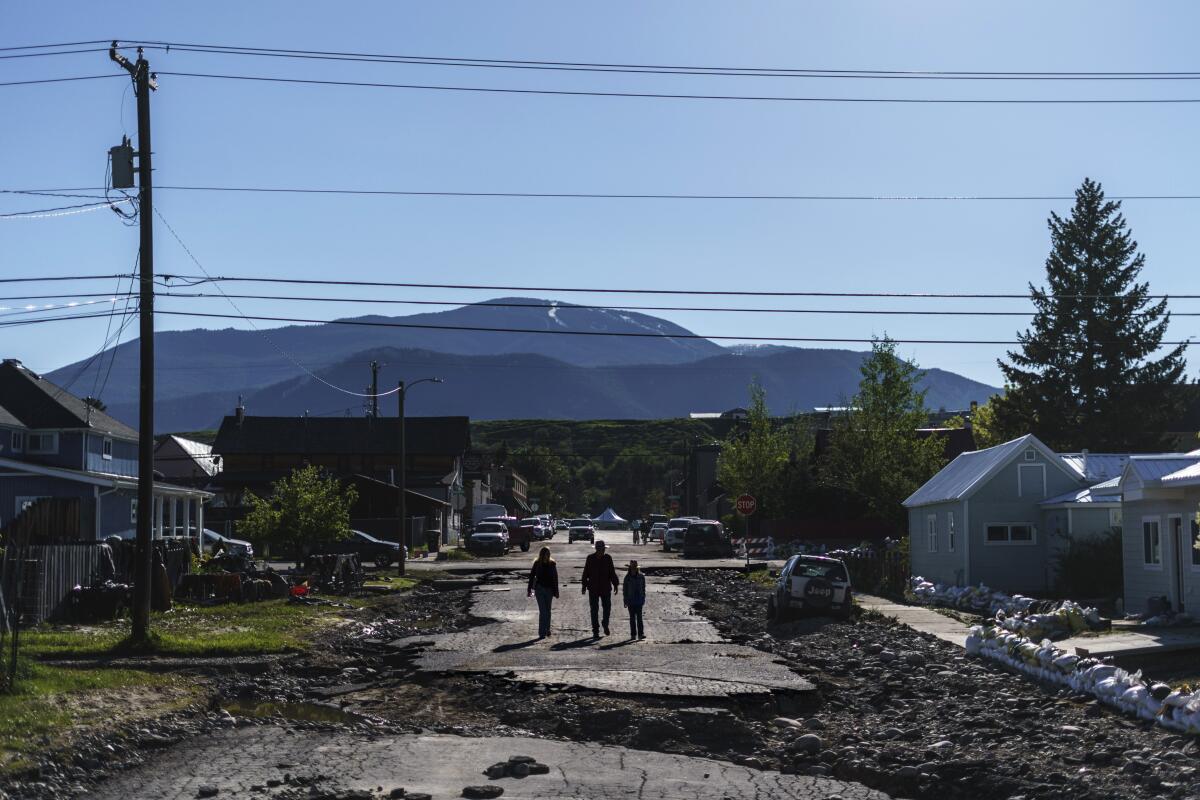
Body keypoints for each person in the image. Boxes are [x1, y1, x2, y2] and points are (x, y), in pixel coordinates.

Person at [581, 539, 620, 637]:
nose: (602, 551)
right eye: (600, 549)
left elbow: (612, 572)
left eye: (603, 549)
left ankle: (605, 623)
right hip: (593, 588)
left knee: (607, 608)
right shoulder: (590, 558)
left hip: (605, 587)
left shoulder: (608, 558)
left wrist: (615, 584)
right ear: (597, 549)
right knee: (594, 609)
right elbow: (586, 572)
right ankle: (595, 630)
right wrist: (584, 586)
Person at [527, 546, 559, 639]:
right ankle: (541, 632)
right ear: (542, 555)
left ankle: (547, 629)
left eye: (549, 554)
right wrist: (529, 589)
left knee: (548, 611)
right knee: (543, 611)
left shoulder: (552, 564)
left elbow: (555, 578)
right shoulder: (537, 564)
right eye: (546, 554)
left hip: (549, 590)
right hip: (539, 589)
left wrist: (556, 591)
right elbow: (532, 576)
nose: (548, 555)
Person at [623, 560, 646, 640]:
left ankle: (640, 634)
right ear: (630, 569)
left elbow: (643, 588)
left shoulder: (641, 577)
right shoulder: (627, 578)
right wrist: (625, 600)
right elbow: (625, 590)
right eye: (632, 568)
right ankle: (633, 634)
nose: (633, 570)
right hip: (630, 600)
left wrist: (643, 598)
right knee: (632, 618)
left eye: (635, 568)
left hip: (639, 600)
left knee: (639, 618)